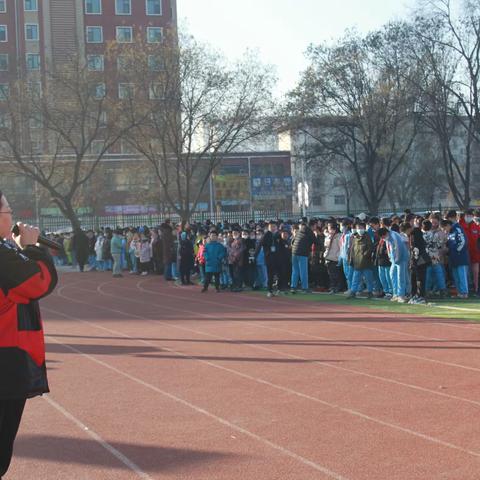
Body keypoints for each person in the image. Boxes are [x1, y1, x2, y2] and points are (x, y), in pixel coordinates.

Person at [0, 191, 58, 478]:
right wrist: (34, 248)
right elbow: (39, 282)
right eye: (8, 209)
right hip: (7, 357)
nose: (12, 215)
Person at [441, 219, 469, 298]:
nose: (444, 230)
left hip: (460, 257)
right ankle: (459, 292)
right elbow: (450, 244)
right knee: (456, 277)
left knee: (461, 275)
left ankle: (464, 292)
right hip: (453, 258)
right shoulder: (450, 233)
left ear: (448, 225)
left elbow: (463, 242)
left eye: (444, 228)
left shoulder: (457, 229)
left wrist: (456, 251)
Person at [347, 222, 375, 299]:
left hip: (366, 262)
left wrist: (365, 255)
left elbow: (371, 248)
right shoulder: (354, 238)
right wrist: (350, 259)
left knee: (368, 279)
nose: (360, 229)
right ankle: (353, 292)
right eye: (358, 228)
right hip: (357, 262)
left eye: (361, 228)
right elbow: (352, 250)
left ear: (364, 228)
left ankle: (370, 292)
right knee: (355, 279)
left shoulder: (368, 237)